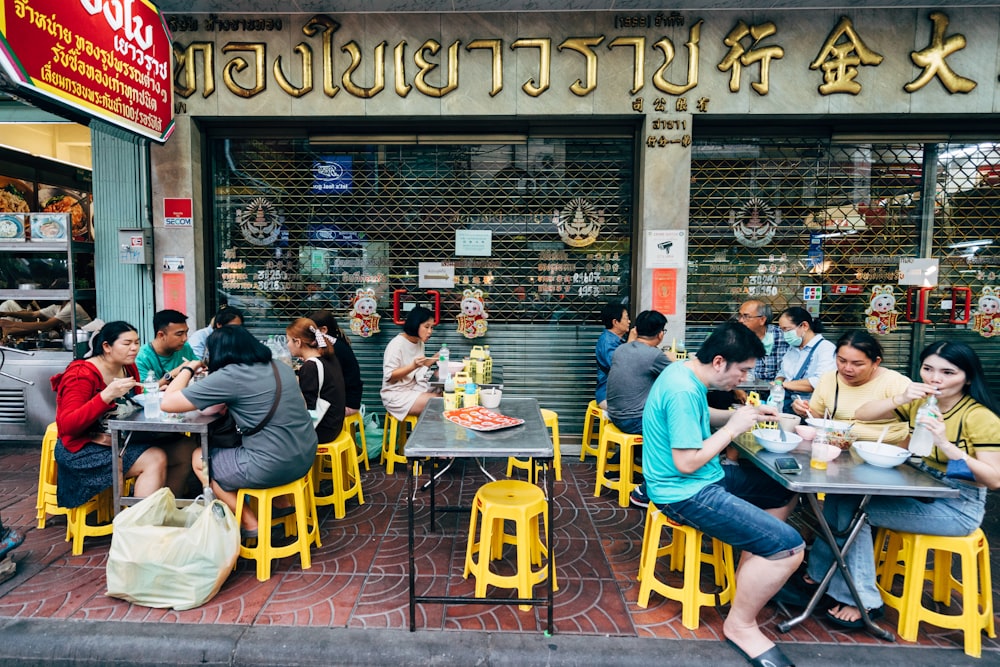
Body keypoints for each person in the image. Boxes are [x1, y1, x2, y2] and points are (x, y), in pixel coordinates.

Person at [793, 341, 1000, 630]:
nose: (934, 379)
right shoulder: (922, 403)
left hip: (959, 506)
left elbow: (993, 479)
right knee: (840, 498)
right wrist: (901, 397)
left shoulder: (978, 416)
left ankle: (862, 600)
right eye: (927, 369)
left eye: (947, 372)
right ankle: (818, 577)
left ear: (967, 376)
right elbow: (863, 414)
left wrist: (945, 445)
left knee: (855, 514)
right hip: (923, 486)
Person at [643, 320, 801, 667]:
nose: (743, 379)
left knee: (782, 489)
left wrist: (746, 415)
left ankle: (756, 565)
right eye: (742, 370)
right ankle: (740, 624)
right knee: (790, 548)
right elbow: (686, 462)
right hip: (683, 492)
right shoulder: (683, 390)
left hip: (703, 478)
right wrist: (732, 428)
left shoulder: (684, 373)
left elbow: (701, 417)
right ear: (719, 362)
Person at [160, 326, 318, 538]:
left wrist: (188, 369)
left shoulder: (231, 375)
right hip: (305, 455)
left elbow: (168, 403)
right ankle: (282, 503)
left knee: (200, 457)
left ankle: (251, 523)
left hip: (272, 464)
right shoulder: (280, 366)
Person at [49, 321, 195, 509]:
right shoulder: (81, 375)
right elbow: (67, 426)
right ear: (107, 347)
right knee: (154, 457)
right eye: (127, 344)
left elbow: (135, 401)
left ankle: (168, 511)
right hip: (83, 449)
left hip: (122, 439)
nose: (134, 348)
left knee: (185, 447)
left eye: (137, 342)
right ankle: (139, 527)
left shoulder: (128, 368)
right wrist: (106, 395)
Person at [791, 330, 912, 444]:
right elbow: (821, 418)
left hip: (885, 451)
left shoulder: (895, 382)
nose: (847, 368)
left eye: (857, 364)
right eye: (842, 361)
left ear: (876, 362)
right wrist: (805, 411)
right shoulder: (828, 379)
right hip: (838, 447)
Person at [604, 309, 673, 508]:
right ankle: (646, 490)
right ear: (660, 334)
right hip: (633, 420)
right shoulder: (654, 355)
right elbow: (679, 377)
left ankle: (617, 466)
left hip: (615, 415)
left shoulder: (621, 349)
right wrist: (674, 360)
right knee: (672, 432)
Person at [287, 317, 347, 444]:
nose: (287, 345)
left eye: (288, 341)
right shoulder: (329, 358)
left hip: (321, 430)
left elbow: (307, 407)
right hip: (334, 426)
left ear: (298, 342)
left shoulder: (310, 366)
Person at [381, 306, 441, 421]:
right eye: (426, 327)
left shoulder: (419, 343)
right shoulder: (396, 345)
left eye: (432, 327)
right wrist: (412, 366)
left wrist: (435, 358)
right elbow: (390, 377)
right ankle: (424, 437)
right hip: (395, 395)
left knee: (445, 393)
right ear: (415, 324)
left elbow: (419, 367)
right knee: (438, 402)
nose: (430, 332)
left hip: (413, 388)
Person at [774, 307, 836, 413]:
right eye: (782, 330)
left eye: (787, 330)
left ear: (804, 326)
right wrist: (777, 384)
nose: (784, 334)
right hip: (788, 405)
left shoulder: (825, 348)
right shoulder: (792, 348)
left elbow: (820, 382)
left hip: (809, 409)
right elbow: (783, 373)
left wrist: (782, 385)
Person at [309, 309, 363, 416]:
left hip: (346, 403)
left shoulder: (334, 349)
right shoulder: (337, 343)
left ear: (323, 330)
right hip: (347, 399)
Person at [135, 309, 196, 388]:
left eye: (186, 332)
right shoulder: (141, 358)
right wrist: (172, 374)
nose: (185, 338)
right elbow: (143, 390)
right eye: (179, 334)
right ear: (161, 335)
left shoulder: (185, 347)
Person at [736, 299, 788, 383]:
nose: (741, 320)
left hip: (777, 390)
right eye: (740, 316)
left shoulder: (783, 336)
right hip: (745, 389)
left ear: (762, 320)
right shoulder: (735, 337)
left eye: (746, 316)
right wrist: (738, 391)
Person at [595, 301, 635, 409]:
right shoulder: (607, 342)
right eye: (626, 318)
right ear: (615, 322)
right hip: (608, 395)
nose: (629, 321)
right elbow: (620, 366)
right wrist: (631, 341)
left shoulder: (619, 340)